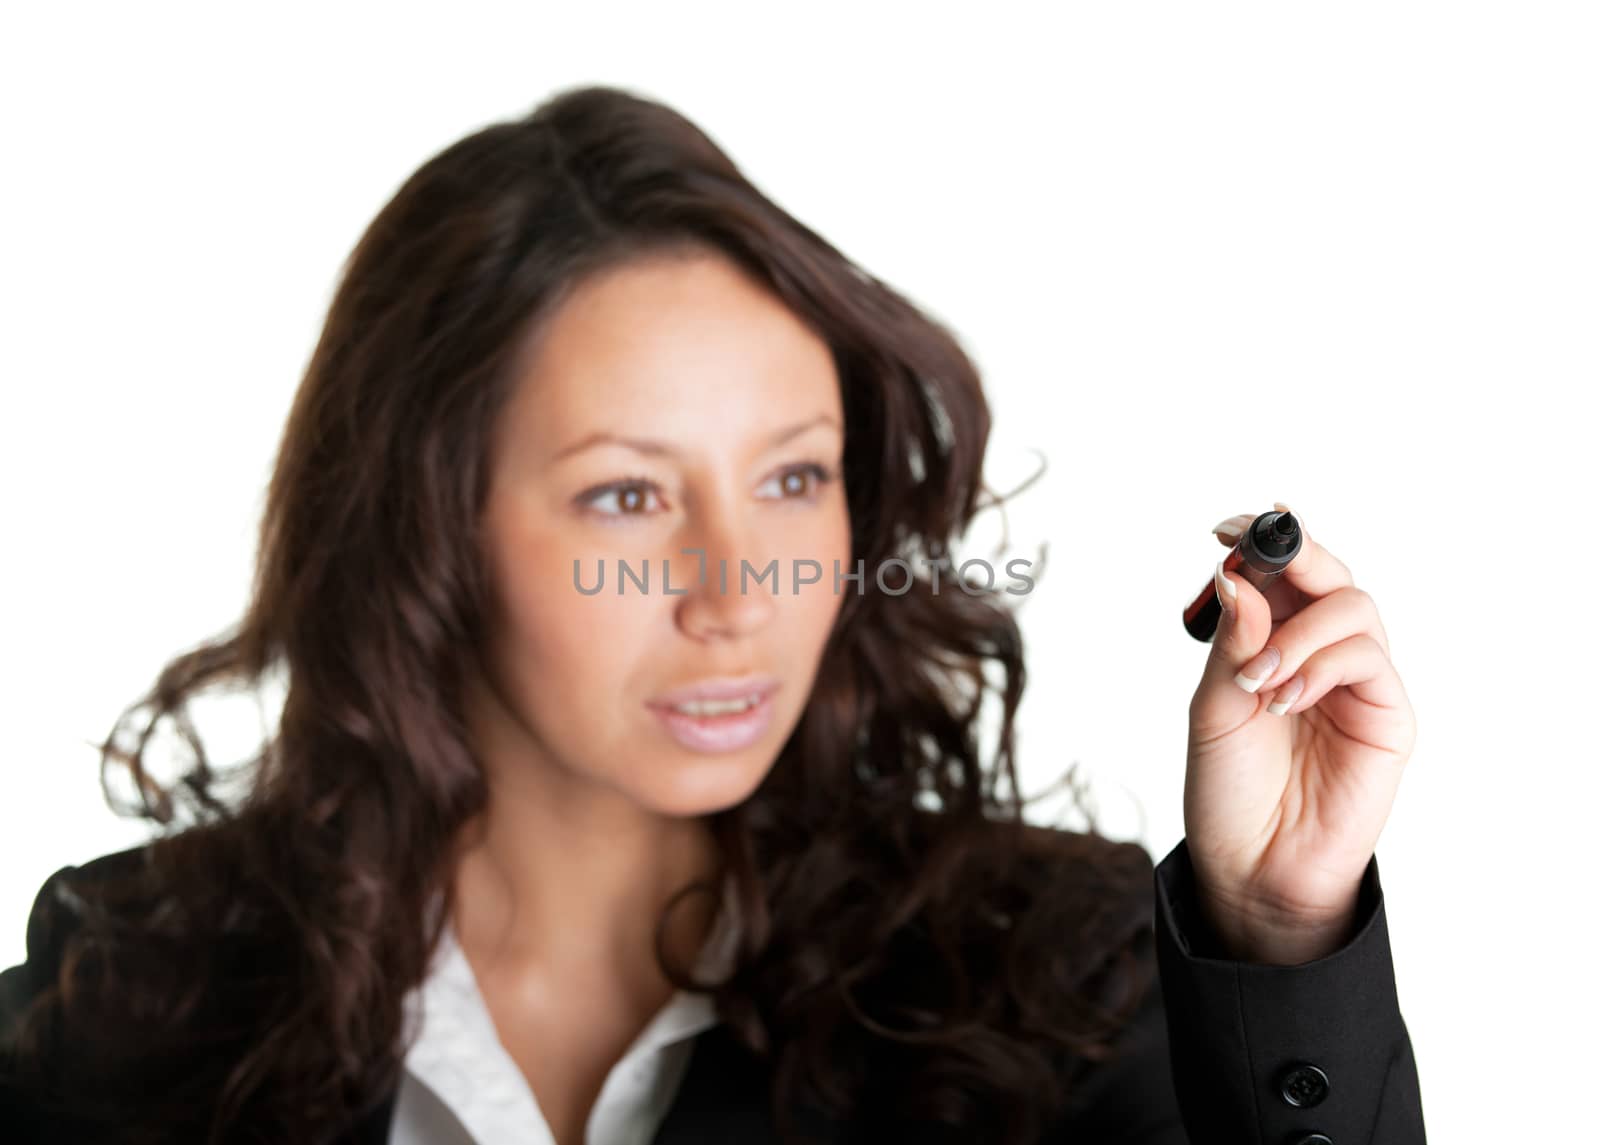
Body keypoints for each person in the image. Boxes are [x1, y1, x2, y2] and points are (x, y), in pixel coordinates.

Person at [0, 84, 1425, 1144]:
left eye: (794, 477)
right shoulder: (131, 1002)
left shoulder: (1051, 981)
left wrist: (1278, 931)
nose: (741, 593)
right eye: (627, 497)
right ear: (429, 525)